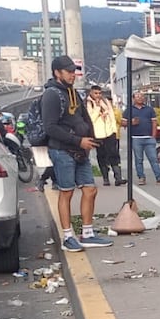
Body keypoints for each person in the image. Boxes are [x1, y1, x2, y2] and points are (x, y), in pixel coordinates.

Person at [42, 55, 112, 252]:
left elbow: (84, 117)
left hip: (81, 150)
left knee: (90, 189)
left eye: (74, 71)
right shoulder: (52, 95)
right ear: (57, 73)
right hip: (62, 150)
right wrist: (77, 140)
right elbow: (50, 127)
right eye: (69, 71)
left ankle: (87, 233)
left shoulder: (73, 92)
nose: (73, 75)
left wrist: (92, 137)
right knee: (66, 192)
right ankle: (67, 236)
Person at [123, 90, 160, 185]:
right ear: (133, 98)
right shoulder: (129, 110)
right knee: (138, 160)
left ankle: (159, 178)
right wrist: (131, 122)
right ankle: (141, 177)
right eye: (137, 96)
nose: (140, 98)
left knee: (153, 159)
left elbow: (154, 123)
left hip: (149, 138)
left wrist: (153, 136)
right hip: (136, 138)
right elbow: (122, 122)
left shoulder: (149, 109)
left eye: (141, 96)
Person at [86, 85, 125, 186]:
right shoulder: (88, 103)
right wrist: (98, 108)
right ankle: (105, 178)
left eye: (99, 93)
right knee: (102, 156)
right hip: (98, 134)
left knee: (114, 154)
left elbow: (111, 115)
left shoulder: (105, 101)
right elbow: (90, 118)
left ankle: (118, 177)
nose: (98, 95)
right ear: (91, 93)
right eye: (96, 93)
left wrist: (114, 129)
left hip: (109, 132)